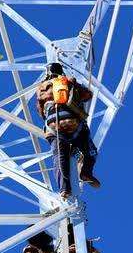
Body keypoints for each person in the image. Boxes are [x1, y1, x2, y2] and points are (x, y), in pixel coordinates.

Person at [36, 62, 100, 199]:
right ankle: (86, 172)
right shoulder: (68, 81)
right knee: (91, 152)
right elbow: (88, 95)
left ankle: (65, 189)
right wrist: (75, 85)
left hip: (53, 126)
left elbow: (40, 112)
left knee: (60, 158)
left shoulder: (41, 89)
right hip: (73, 123)